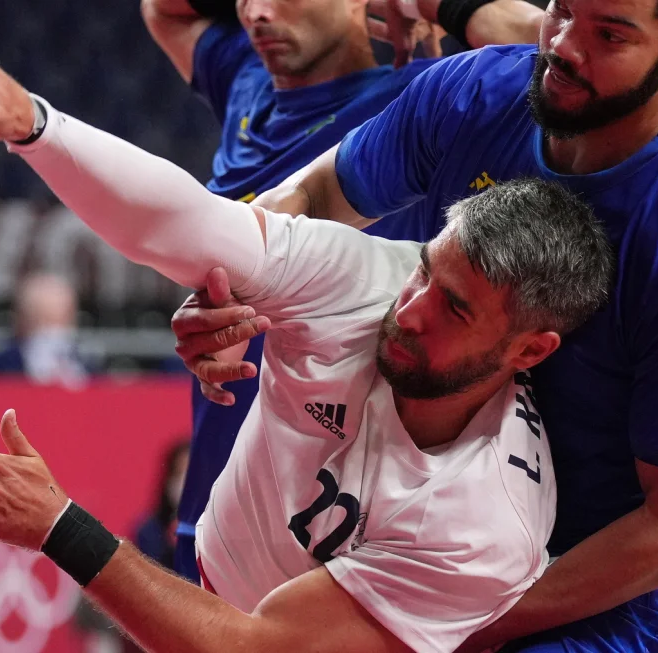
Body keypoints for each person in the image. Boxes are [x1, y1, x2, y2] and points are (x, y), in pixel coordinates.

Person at [0, 2, 612, 650]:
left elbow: (248, 647)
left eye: (453, 307)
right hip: (216, 553)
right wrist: (32, 123)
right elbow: (187, 225)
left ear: (529, 350)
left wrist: (57, 524)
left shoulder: (483, 524)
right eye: (425, 270)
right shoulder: (369, 277)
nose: (411, 305)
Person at [172, 0, 658, 651]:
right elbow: (315, 195)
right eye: (562, 10)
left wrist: (458, 624)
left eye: (609, 34)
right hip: (444, 537)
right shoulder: (477, 92)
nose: (566, 46)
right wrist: (236, 282)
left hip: (600, 607)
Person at [142, 0, 545, 582]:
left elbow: (568, 52)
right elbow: (164, 9)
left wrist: (445, 6)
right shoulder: (248, 83)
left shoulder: (425, 99)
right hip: (216, 507)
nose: (255, 12)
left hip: (338, 525)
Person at [0, 273, 91, 387]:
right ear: (24, 318)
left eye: (61, 318)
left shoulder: (86, 361)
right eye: (45, 318)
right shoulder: (5, 362)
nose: (53, 331)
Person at [135, 441, 191, 570]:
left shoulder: (217, 529)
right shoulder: (150, 531)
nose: (185, 483)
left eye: (190, 474)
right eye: (179, 473)